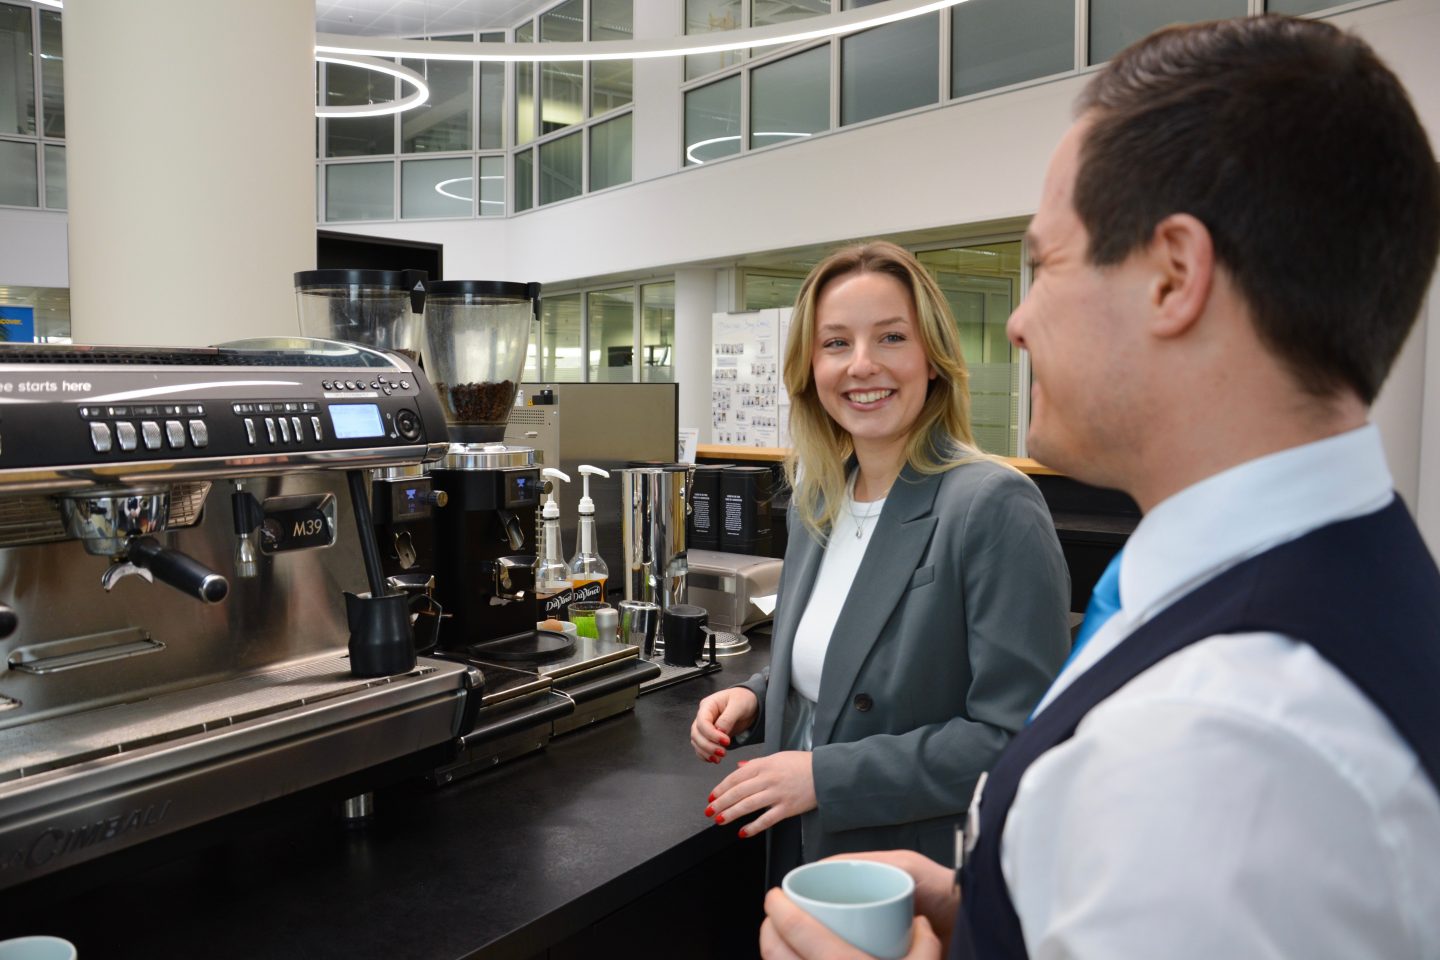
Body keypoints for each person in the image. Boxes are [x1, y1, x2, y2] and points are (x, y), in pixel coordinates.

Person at [759, 14, 1440, 960]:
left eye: (1043, 265)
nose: (1016, 327)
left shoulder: (1229, 736)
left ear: (1173, 276)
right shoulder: (1280, 590)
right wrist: (992, 909)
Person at [689, 240, 1071, 883]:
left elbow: (1019, 738)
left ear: (933, 359)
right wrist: (758, 699)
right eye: (836, 343)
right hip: (803, 851)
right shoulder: (819, 497)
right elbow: (845, 658)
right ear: (810, 368)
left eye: (891, 337)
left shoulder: (992, 503)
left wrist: (824, 776)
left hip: (916, 874)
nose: (862, 366)